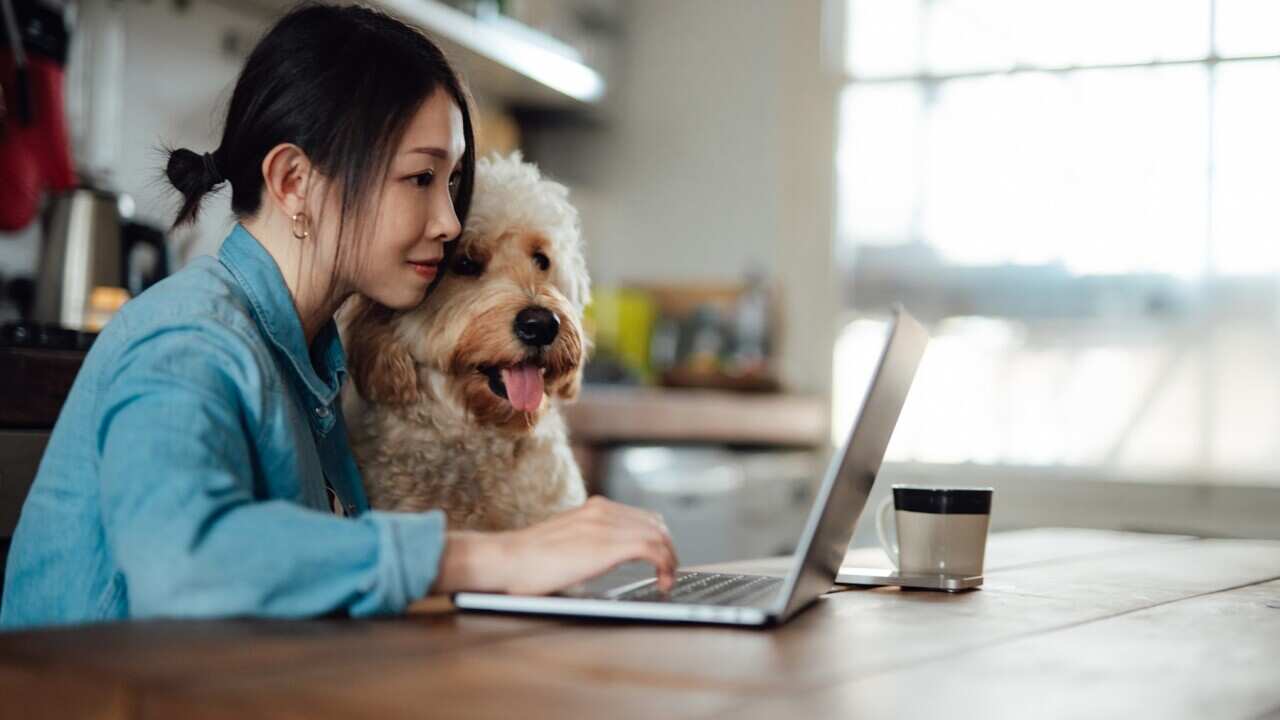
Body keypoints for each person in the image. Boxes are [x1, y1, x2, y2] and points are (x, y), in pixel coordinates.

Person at [0, 3, 676, 629]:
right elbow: (181, 563)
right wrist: (489, 558)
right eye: (420, 179)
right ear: (294, 182)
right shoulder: (189, 341)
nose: (446, 221)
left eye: (452, 183)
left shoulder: (310, 357)